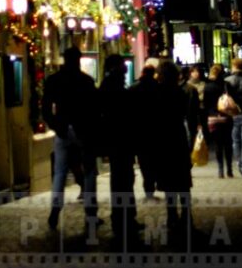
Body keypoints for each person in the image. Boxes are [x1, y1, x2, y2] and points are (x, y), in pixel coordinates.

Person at [42, 46, 100, 233]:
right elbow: (94, 110)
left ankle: (55, 210)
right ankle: (91, 213)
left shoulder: (54, 80)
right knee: (90, 171)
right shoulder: (86, 81)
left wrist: (55, 125)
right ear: (78, 60)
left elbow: (45, 108)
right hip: (84, 130)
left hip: (63, 129)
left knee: (59, 172)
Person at [99, 53, 140, 247]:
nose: (125, 70)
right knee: (122, 179)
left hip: (119, 139)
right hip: (119, 140)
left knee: (124, 178)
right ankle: (123, 218)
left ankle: (126, 217)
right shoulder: (112, 87)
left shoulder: (110, 85)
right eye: (122, 67)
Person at [155, 59, 194, 240]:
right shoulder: (181, 92)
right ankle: (186, 215)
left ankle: (172, 215)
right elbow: (187, 115)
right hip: (178, 137)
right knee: (183, 182)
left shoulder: (159, 93)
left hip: (164, 139)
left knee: (170, 182)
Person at [130, 60, 161, 199]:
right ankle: (152, 183)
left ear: (142, 73)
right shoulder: (159, 89)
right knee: (155, 158)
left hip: (138, 130)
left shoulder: (133, 88)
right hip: (155, 130)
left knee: (143, 160)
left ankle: (147, 185)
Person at [203, 63, 233, 177]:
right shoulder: (226, 85)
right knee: (228, 143)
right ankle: (229, 169)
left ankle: (220, 170)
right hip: (226, 116)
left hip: (213, 117)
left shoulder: (208, 87)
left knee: (218, 144)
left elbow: (205, 104)